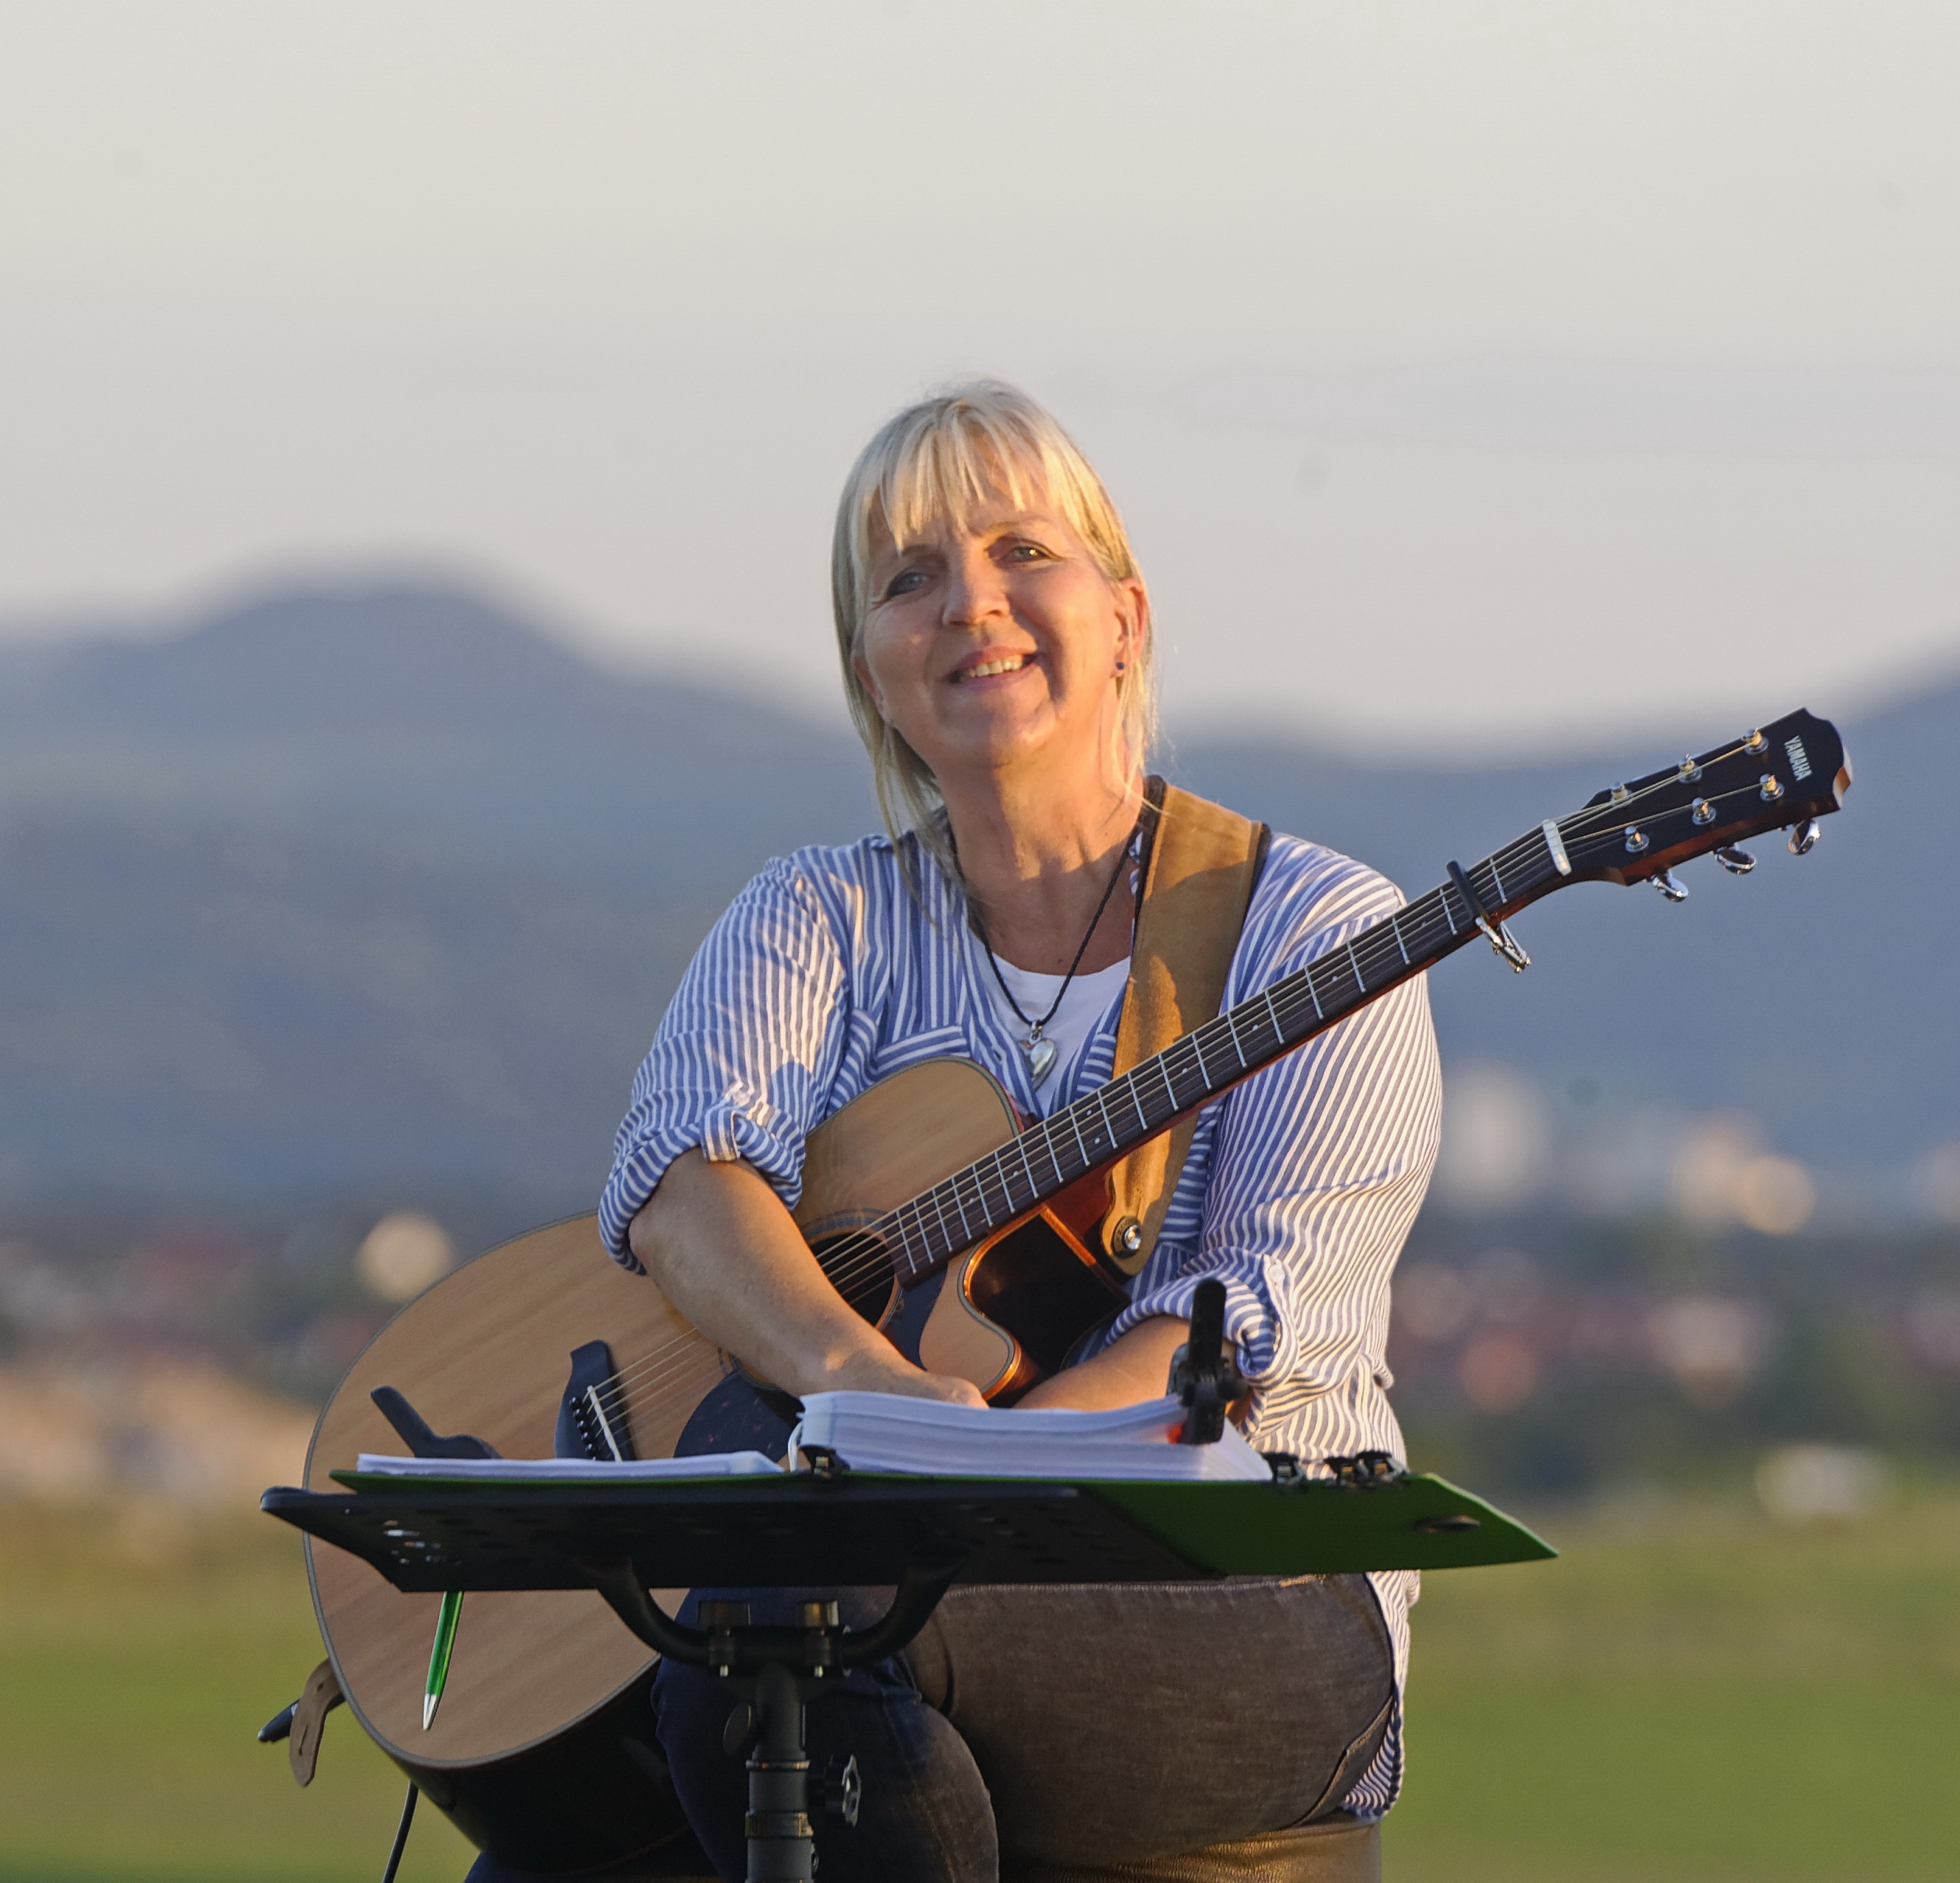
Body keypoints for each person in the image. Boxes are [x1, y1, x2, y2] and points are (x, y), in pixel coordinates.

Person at [600, 382, 1440, 1880]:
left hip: (1250, 1581)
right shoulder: (816, 918)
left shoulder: (1313, 927)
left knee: (779, 1632)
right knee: (581, 1817)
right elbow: (683, 1188)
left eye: (1016, 553)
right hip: (873, 1562)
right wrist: (868, 1388)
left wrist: (937, 1487)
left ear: (1122, 617)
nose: (966, 605)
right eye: (907, 578)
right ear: (869, 670)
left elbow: (1241, 1314)